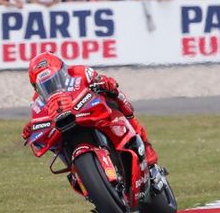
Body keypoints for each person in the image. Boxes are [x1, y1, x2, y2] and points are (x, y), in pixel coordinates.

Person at [24, 52, 159, 167]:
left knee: (118, 98)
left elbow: (103, 80)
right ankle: (76, 171)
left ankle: (144, 142)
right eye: (45, 85)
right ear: (36, 87)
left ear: (63, 71)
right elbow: (38, 119)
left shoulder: (80, 72)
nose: (51, 86)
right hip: (65, 127)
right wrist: (32, 128)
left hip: (91, 112)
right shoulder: (37, 101)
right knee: (52, 144)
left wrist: (107, 84)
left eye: (54, 79)